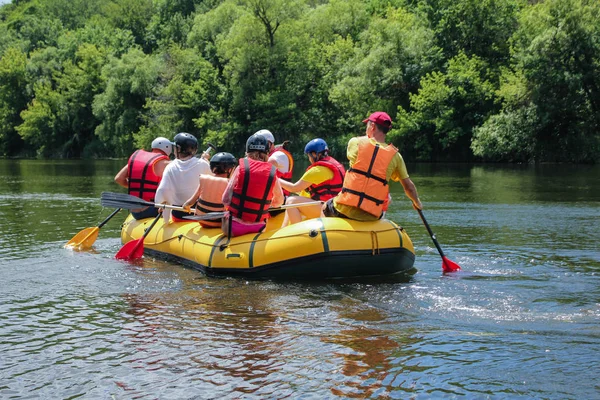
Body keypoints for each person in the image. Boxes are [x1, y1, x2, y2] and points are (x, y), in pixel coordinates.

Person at [323, 111, 423, 220]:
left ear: (372, 126)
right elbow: (409, 187)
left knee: (325, 206)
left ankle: (322, 234)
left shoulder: (355, 142)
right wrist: (417, 202)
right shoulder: (396, 156)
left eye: (367, 125)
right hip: (372, 215)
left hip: (344, 210)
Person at [222, 134, 284, 237]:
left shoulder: (240, 168)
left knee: (225, 215)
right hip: (259, 228)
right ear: (267, 153)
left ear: (247, 152)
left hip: (234, 228)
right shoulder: (272, 172)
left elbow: (225, 200)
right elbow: (279, 202)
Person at [278, 138, 346, 225]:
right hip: (335, 206)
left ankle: (297, 234)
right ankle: (283, 230)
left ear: (314, 154)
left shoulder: (317, 170)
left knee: (291, 201)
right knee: (293, 202)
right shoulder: (335, 164)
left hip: (328, 208)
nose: (309, 159)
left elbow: (293, 188)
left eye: (309, 156)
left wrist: (276, 179)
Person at [155, 132, 212, 223]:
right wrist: (206, 161)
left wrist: (161, 204)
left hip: (179, 215)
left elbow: (162, 190)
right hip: (198, 214)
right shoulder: (203, 164)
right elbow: (214, 181)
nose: (173, 150)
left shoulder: (170, 167)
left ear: (179, 149)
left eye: (175, 147)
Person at [114, 137, 172, 220]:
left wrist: (137, 188)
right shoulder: (166, 163)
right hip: (151, 210)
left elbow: (118, 178)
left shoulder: (138, 159)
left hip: (134, 211)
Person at [182, 152, 237, 228]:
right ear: (230, 170)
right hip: (219, 223)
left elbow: (190, 202)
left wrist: (186, 206)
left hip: (202, 221)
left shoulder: (204, 180)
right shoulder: (229, 184)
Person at [254, 129, 294, 194]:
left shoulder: (278, 155)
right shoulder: (271, 154)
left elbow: (266, 168)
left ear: (268, 143)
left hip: (280, 199)